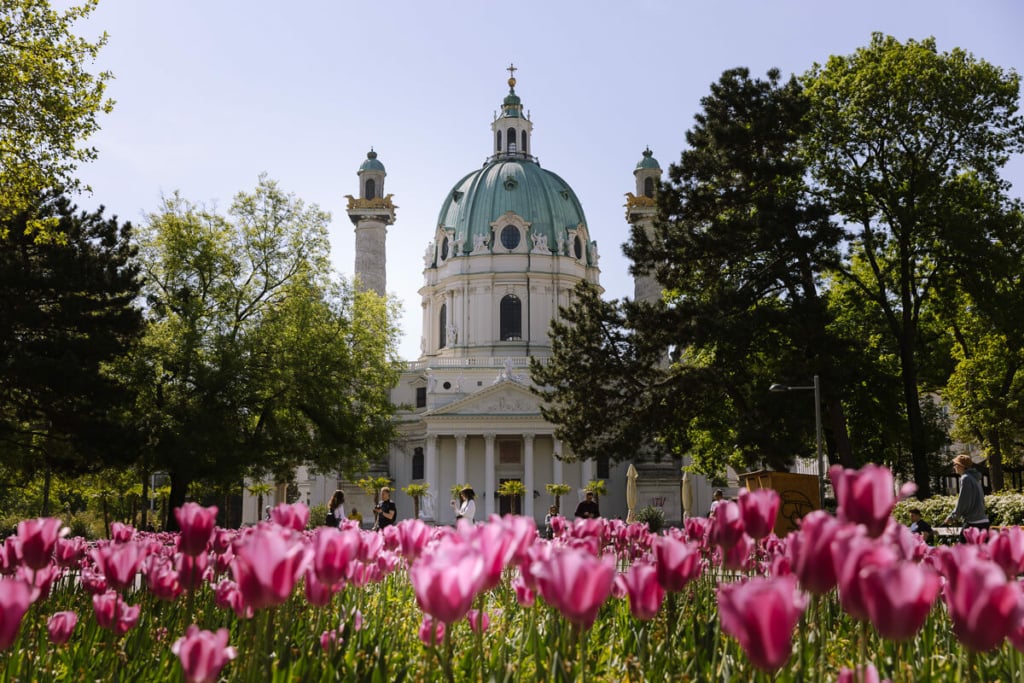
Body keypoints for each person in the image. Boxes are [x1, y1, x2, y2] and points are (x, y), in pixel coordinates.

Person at [942, 454, 990, 540]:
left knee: (962, 551)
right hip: (983, 522)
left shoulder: (965, 478)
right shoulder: (974, 479)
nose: (954, 466)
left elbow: (963, 502)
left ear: (961, 466)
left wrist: (952, 517)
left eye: (955, 464)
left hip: (974, 524)